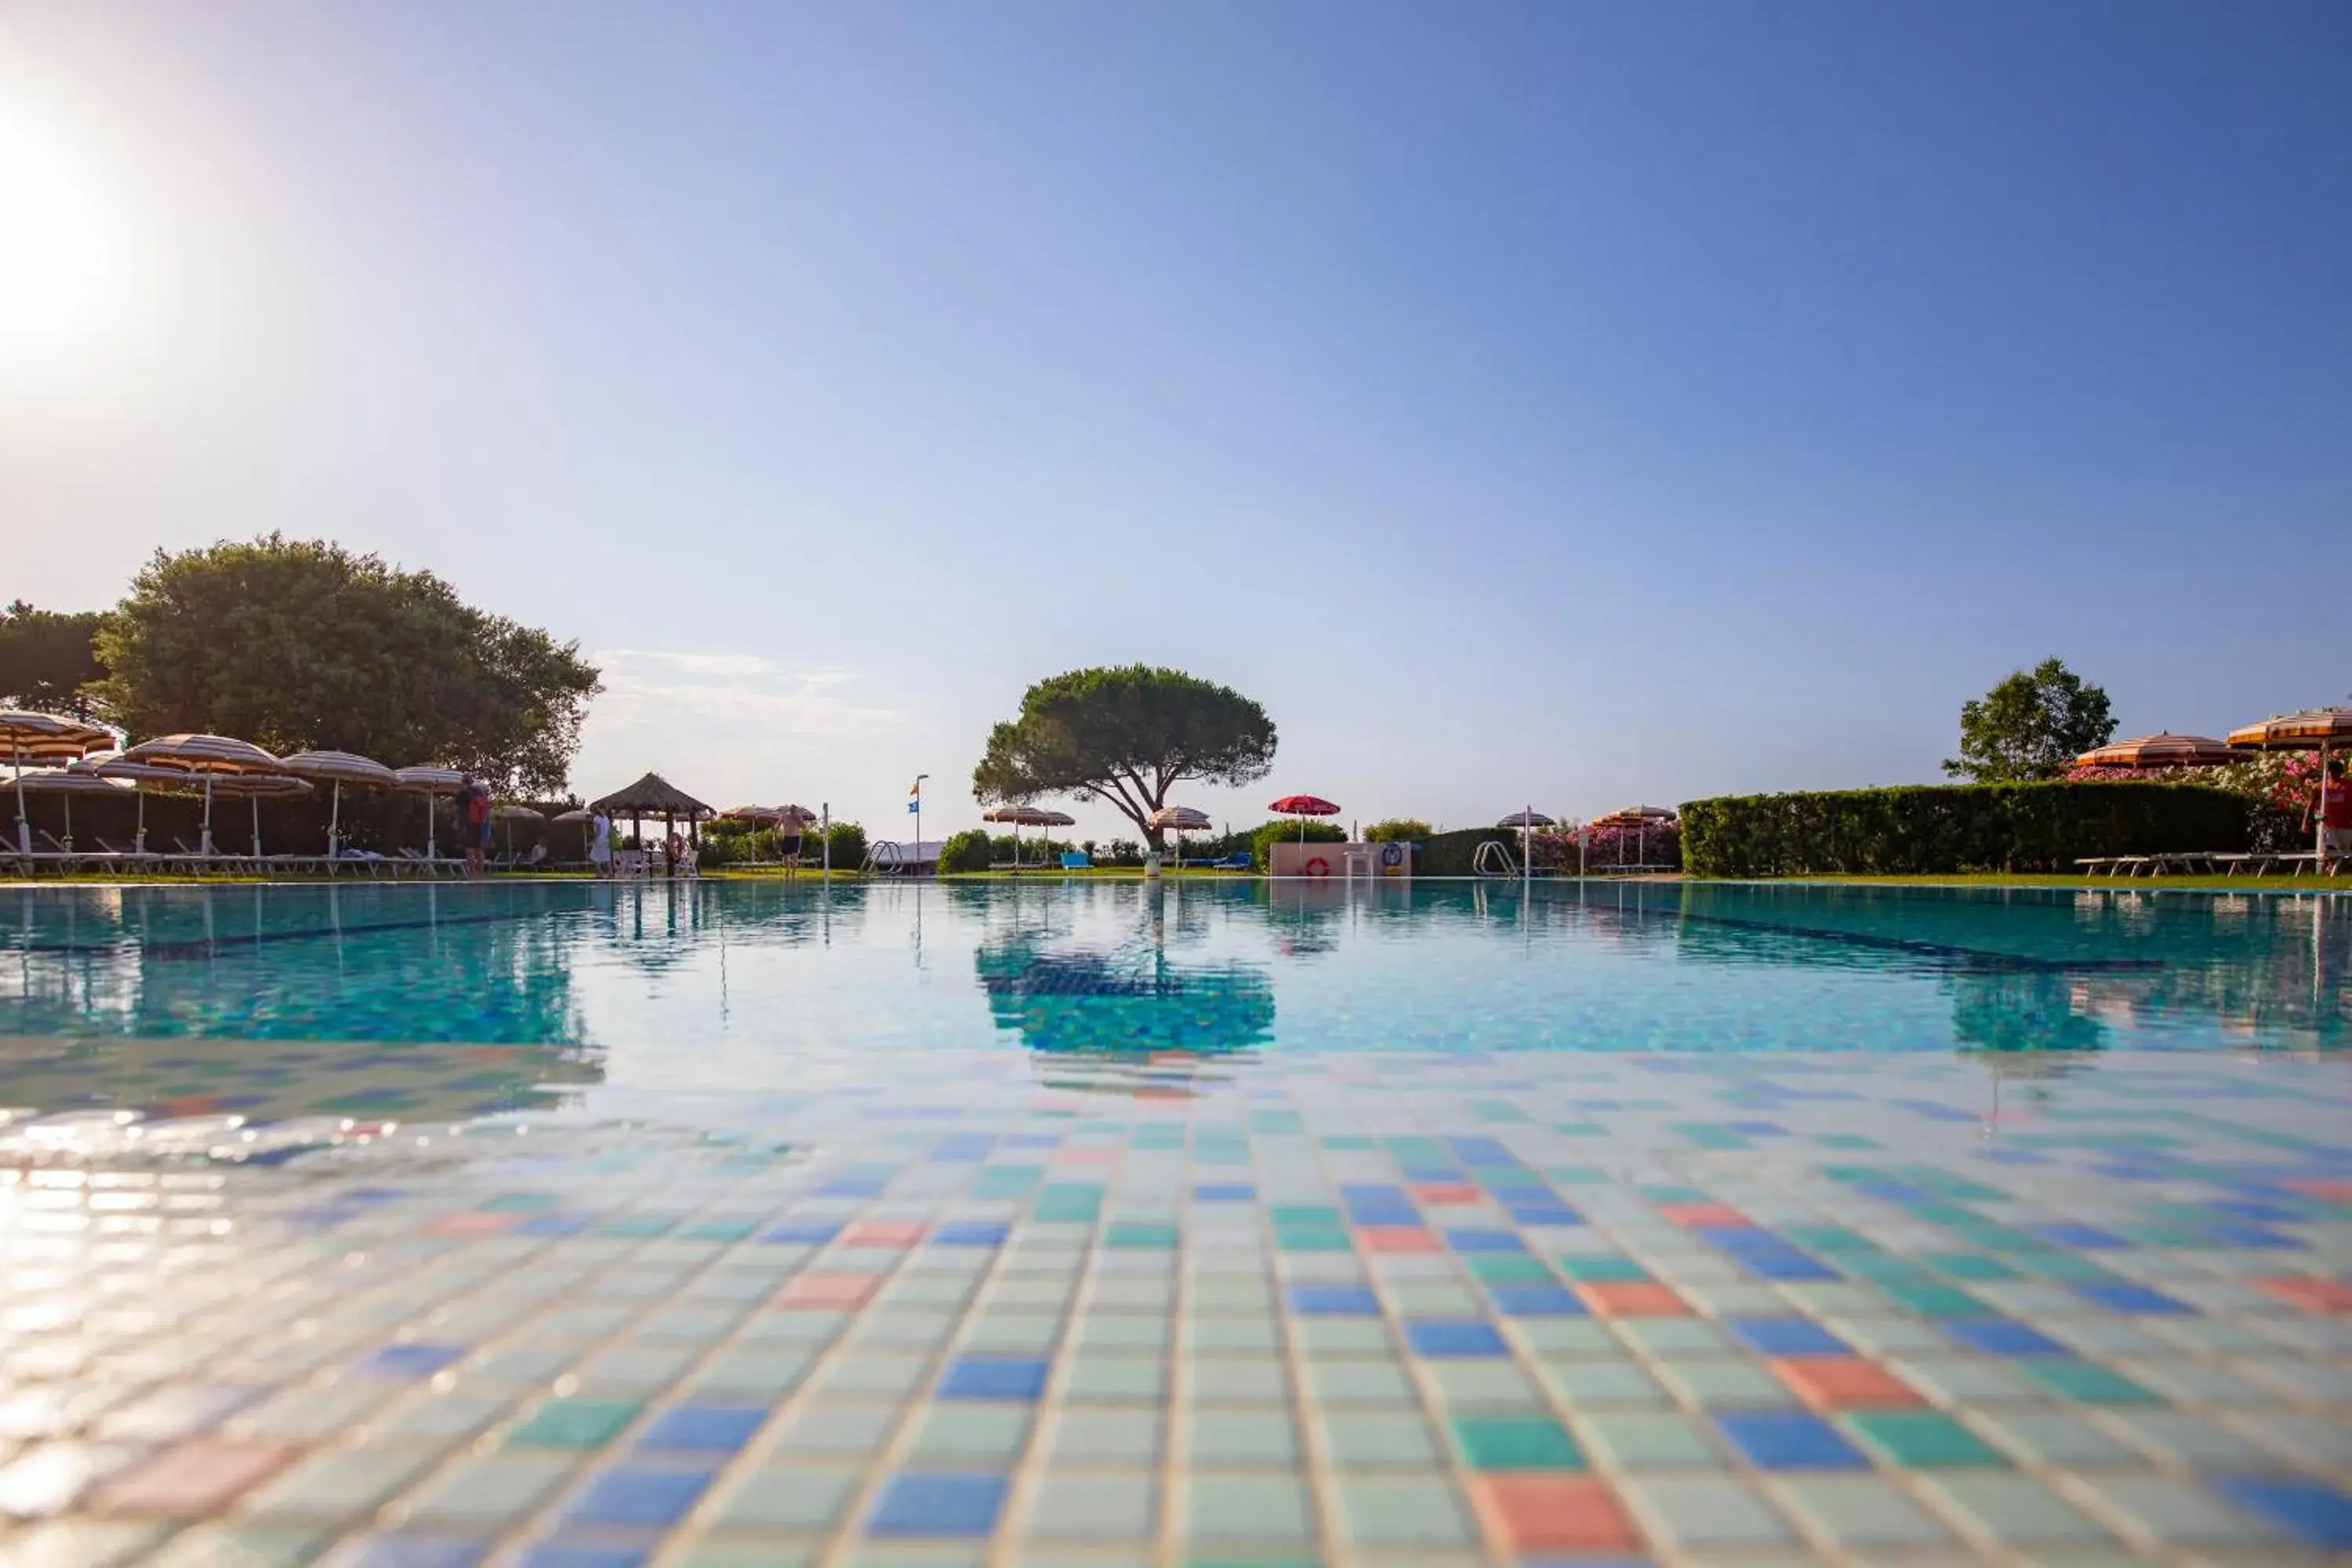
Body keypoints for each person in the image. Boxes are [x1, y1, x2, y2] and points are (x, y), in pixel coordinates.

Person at [2314, 757, 2352, 873]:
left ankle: (2338, 870)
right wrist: (2305, 821)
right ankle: (2328, 868)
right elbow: (2311, 804)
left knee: (2344, 850)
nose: (2333, 774)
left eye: (2336, 771)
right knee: (2327, 847)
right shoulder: (2320, 787)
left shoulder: (2349, 786)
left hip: (2346, 824)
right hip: (2326, 823)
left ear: (2341, 772)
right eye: (2331, 771)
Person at [460, 779, 492, 880]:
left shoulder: (473, 798)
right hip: (481, 826)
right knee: (479, 851)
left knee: (470, 851)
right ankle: (479, 875)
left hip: (473, 826)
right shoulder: (485, 801)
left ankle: (473, 874)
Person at [589, 808, 612, 877]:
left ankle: (600, 873)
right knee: (607, 858)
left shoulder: (596, 819)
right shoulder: (606, 818)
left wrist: (594, 841)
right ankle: (610, 873)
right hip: (606, 840)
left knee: (594, 857)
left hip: (600, 840)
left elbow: (598, 831)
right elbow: (608, 830)